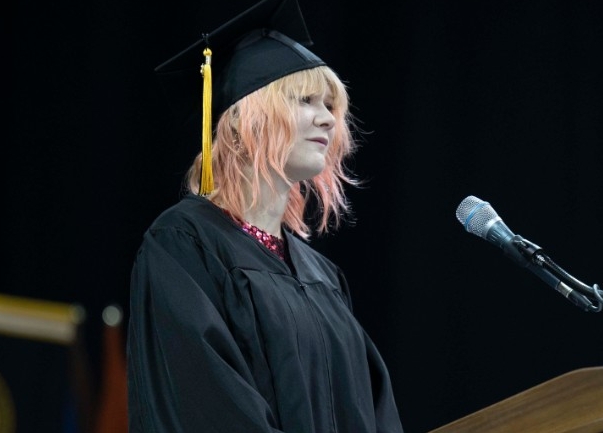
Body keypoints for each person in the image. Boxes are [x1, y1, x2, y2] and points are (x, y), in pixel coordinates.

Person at [126, 0, 403, 431]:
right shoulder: (184, 245)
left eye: (330, 104)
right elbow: (206, 403)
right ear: (242, 121)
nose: (327, 118)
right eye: (305, 100)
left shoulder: (322, 276)